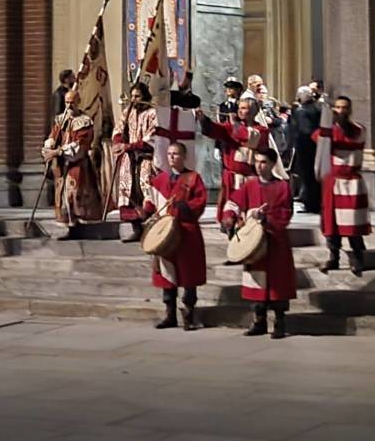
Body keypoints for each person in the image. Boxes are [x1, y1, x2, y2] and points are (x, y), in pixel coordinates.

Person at [222, 149, 297, 338]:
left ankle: (279, 323)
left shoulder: (283, 187)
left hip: (275, 242)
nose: (259, 166)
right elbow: (233, 202)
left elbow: (285, 214)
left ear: (272, 164)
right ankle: (259, 321)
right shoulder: (250, 185)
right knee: (257, 282)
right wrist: (229, 217)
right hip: (254, 244)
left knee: (277, 284)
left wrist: (266, 219)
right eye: (256, 162)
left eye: (263, 162)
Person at [141, 142, 207, 331]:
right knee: (167, 275)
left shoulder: (193, 178)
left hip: (186, 233)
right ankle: (170, 315)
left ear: (183, 157)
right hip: (165, 234)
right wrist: (146, 212)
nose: (172, 157)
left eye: (176, 154)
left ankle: (189, 314)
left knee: (188, 276)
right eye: (169, 153)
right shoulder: (159, 180)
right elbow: (151, 201)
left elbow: (200, 201)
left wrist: (185, 208)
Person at [314, 95, 371, 276]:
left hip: (351, 182)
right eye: (337, 107)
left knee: (352, 223)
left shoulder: (358, 130)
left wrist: (328, 131)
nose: (340, 111)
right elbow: (317, 137)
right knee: (332, 222)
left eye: (344, 107)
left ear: (350, 110)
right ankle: (334, 258)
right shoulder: (328, 132)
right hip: (333, 181)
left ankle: (357, 258)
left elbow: (349, 139)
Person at [196, 95, 270, 226]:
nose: (240, 111)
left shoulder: (262, 130)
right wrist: (203, 119)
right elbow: (216, 129)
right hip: (231, 176)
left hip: (250, 178)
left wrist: (235, 125)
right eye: (240, 108)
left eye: (245, 108)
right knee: (230, 208)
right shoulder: (231, 127)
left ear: (254, 111)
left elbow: (249, 137)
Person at [42, 89, 102, 227]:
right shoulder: (60, 119)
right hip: (62, 164)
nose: (69, 106)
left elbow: (80, 145)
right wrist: (49, 146)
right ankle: (65, 221)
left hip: (77, 164)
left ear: (78, 102)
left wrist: (58, 152)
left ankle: (80, 222)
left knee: (75, 193)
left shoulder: (85, 122)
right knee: (62, 194)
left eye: (72, 103)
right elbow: (53, 135)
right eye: (67, 103)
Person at [111, 82, 159, 238]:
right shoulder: (127, 112)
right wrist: (118, 143)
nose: (133, 99)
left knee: (146, 189)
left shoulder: (152, 113)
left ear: (144, 96)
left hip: (145, 158)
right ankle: (135, 228)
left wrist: (130, 146)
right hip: (129, 158)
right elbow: (118, 130)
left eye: (137, 96)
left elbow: (152, 138)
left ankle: (149, 228)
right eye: (132, 96)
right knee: (128, 189)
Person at [290, 86, 321, 213]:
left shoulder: (301, 111)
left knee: (306, 176)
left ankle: (310, 204)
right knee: (314, 176)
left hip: (304, 146)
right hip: (315, 145)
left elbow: (302, 130)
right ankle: (315, 202)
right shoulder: (318, 108)